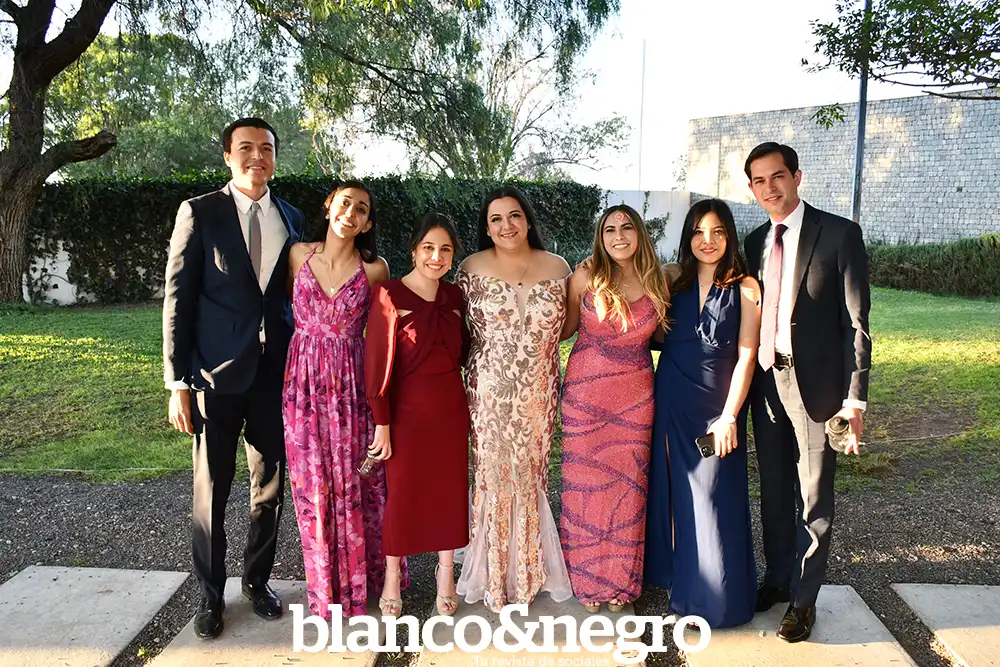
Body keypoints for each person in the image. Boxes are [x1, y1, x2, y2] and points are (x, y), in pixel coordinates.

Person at [163, 118, 304, 639]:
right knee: (212, 491)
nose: (257, 156)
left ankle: (257, 582)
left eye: (266, 148)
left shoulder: (291, 217)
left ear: (275, 158)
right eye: (245, 147)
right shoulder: (199, 212)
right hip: (213, 376)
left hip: (274, 375)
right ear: (228, 155)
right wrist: (177, 383)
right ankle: (209, 595)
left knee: (269, 488)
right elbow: (178, 298)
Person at [743, 142, 871, 642]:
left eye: (777, 176)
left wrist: (854, 400)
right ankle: (778, 578)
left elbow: (857, 324)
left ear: (797, 176)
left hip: (816, 386)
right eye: (759, 181)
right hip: (764, 384)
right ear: (751, 188)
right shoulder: (754, 241)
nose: (769, 187)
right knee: (774, 489)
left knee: (813, 495)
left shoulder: (839, 234)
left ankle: (804, 599)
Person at [282, 179, 400, 620]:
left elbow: (383, 334)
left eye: (362, 209)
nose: (351, 213)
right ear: (329, 206)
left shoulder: (375, 269)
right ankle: (325, 586)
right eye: (345, 203)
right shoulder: (298, 255)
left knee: (358, 481)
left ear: (367, 223)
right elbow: (285, 308)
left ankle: (363, 581)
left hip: (352, 384)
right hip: (303, 384)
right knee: (312, 483)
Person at [643, 199, 761, 628]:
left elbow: (748, 356)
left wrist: (729, 416)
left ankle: (719, 600)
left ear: (729, 236)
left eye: (717, 232)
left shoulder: (746, 287)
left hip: (717, 408)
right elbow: (642, 309)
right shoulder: (673, 280)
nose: (707, 241)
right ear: (687, 237)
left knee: (713, 498)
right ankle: (682, 589)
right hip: (672, 398)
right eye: (697, 232)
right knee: (677, 494)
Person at [456, 186, 573, 612]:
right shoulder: (470, 267)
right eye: (496, 219)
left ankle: (528, 572)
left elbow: (567, 326)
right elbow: (458, 327)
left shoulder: (559, 267)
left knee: (530, 475)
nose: (506, 225)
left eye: (514, 215)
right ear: (487, 228)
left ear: (527, 220)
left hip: (539, 389)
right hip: (487, 391)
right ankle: (492, 575)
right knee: (492, 474)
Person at [558, 204, 670, 613]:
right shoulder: (585, 277)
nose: (618, 236)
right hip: (585, 396)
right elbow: (564, 330)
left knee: (628, 488)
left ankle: (621, 582)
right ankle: (587, 581)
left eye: (626, 227)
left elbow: (663, 337)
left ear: (639, 233)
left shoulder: (660, 279)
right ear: (600, 238)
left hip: (635, 398)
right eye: (609, 229)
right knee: (584, 488)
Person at [364, 213, 471, 617]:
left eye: (445, 249)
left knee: (449, 493)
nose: (436, 257)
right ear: (414, 250)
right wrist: (382, 423)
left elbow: (463, 350)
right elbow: (377, 364)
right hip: (405, 414)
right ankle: (393, 577)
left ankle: (446, 574)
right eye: (428, 248)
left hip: (450, 410)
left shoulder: (455, 296)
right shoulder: (389, 293)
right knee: (403, 495)